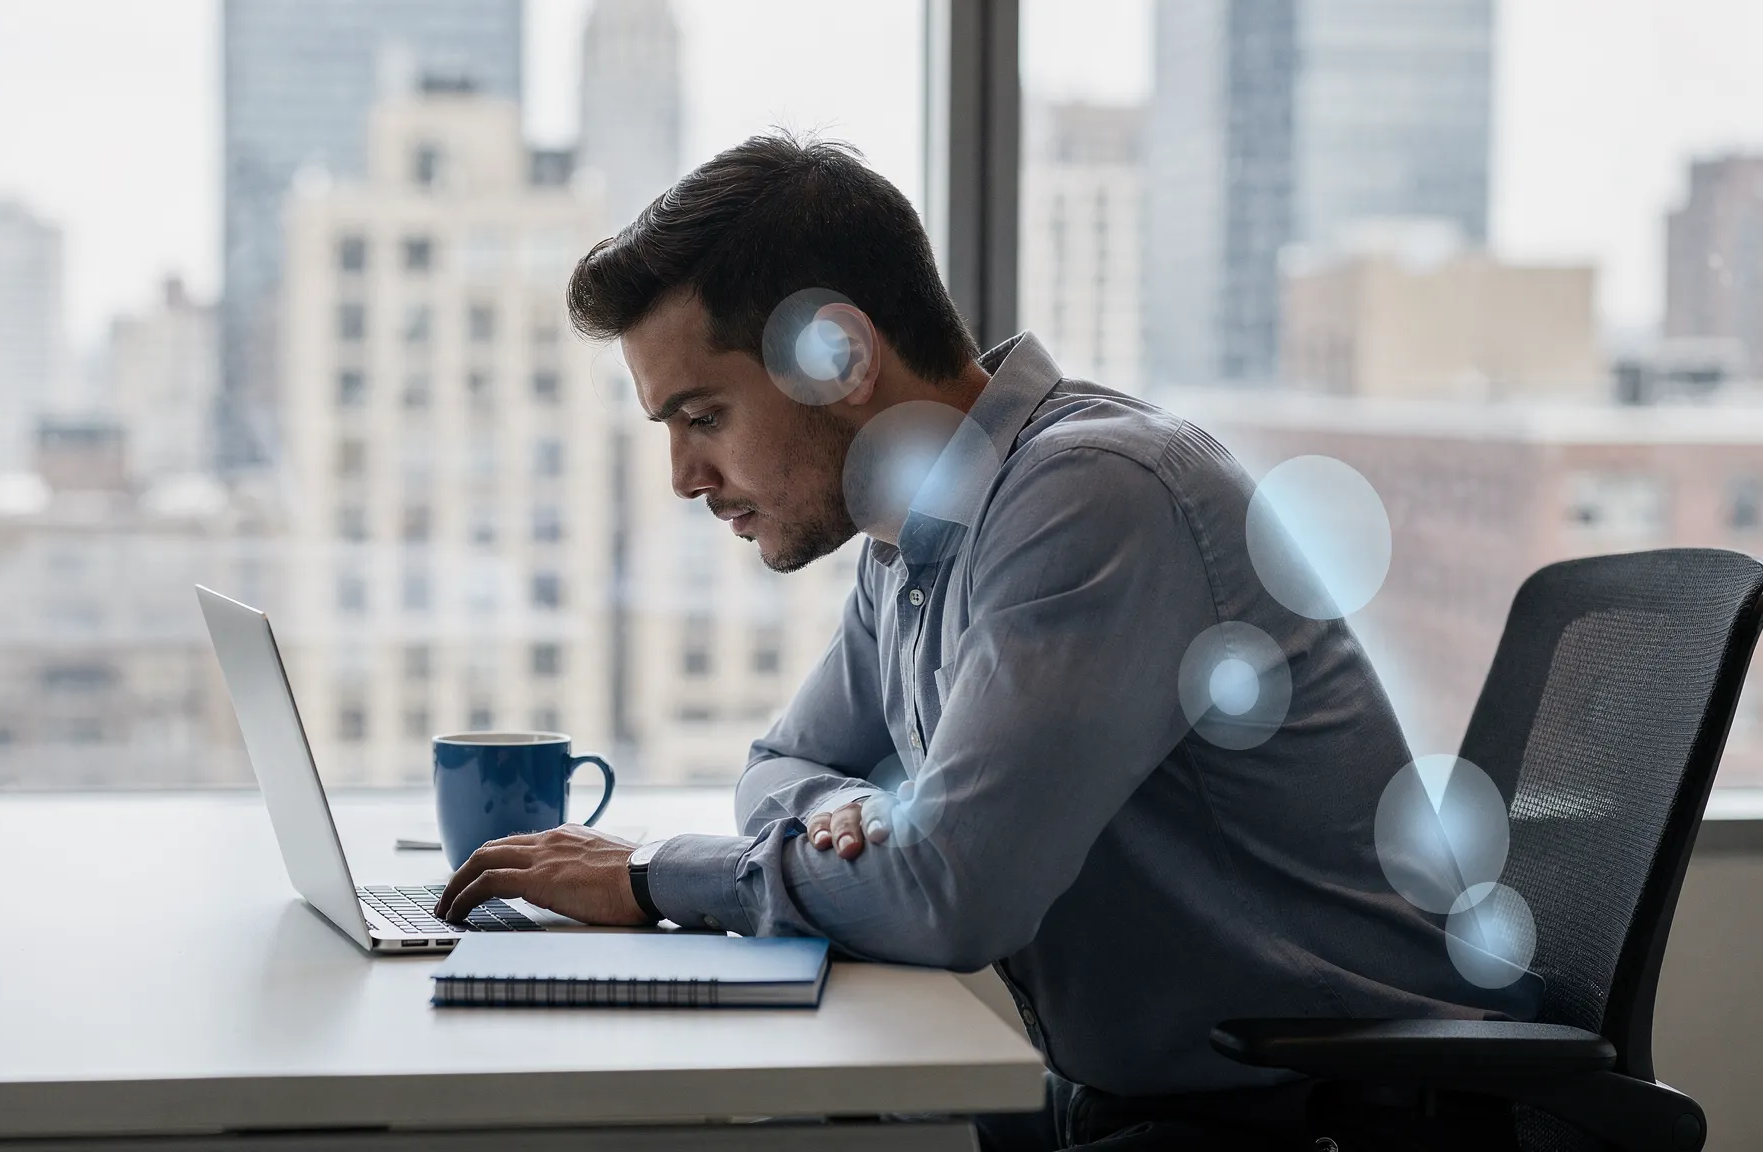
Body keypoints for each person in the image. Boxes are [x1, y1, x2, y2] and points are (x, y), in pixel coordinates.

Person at [433, 132, 1532, 1150]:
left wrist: (646, 878)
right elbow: (776, 770)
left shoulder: (1092, 496)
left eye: (702, 417)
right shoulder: (908, 541)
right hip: (1157, 1102)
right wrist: (842, 816)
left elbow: (948, 897)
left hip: (1348, 1117)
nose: (683, 478)